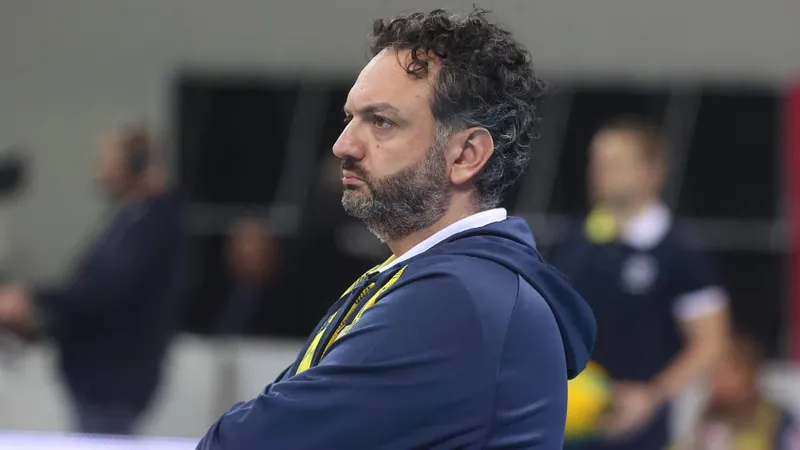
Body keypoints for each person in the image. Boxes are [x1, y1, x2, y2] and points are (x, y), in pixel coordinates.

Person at [196, 8, 596, 450]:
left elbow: (244, 443)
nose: (343, 145)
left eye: (381, 122)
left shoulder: (456, 299)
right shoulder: (440, 279)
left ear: (466, 155)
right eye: (350, 118)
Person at [552, 117, 730, 450]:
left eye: (615, 163)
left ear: (651, 172)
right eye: (596, 162)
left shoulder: (678, 252)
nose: (599, 172)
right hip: (568, 430)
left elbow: (711, 343)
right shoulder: (574, 241)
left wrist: (651, 396)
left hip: (640, 435)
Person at [0, 123, 187, 435]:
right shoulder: (134, 220)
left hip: (112, 381)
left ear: (136, 164)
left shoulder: (149, 226)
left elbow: (101, 292)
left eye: (107, 162)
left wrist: (30, 301)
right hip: (102, 380)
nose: (99, 173)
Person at [682, 331, 799, 449]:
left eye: (729, 372)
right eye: (714, 372)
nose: (720, 380)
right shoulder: (707, 420)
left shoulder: (776, 418)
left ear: (749, 373)